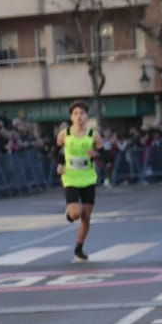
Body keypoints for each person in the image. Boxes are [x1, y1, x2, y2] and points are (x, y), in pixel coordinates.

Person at [56, 101, 102, 262]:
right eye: (75, 113)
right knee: (76, 213)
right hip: (70, 178)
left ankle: (79, 249)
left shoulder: (93, 135)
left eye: (82, 113)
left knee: (86, 217)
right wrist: (60, 164)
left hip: (88, 178)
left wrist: (95, 154)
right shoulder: (64, 134)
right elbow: (57, 151)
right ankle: (70, 212)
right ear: (71, 117)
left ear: (86, 116)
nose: (79, 116)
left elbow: (105, 154)